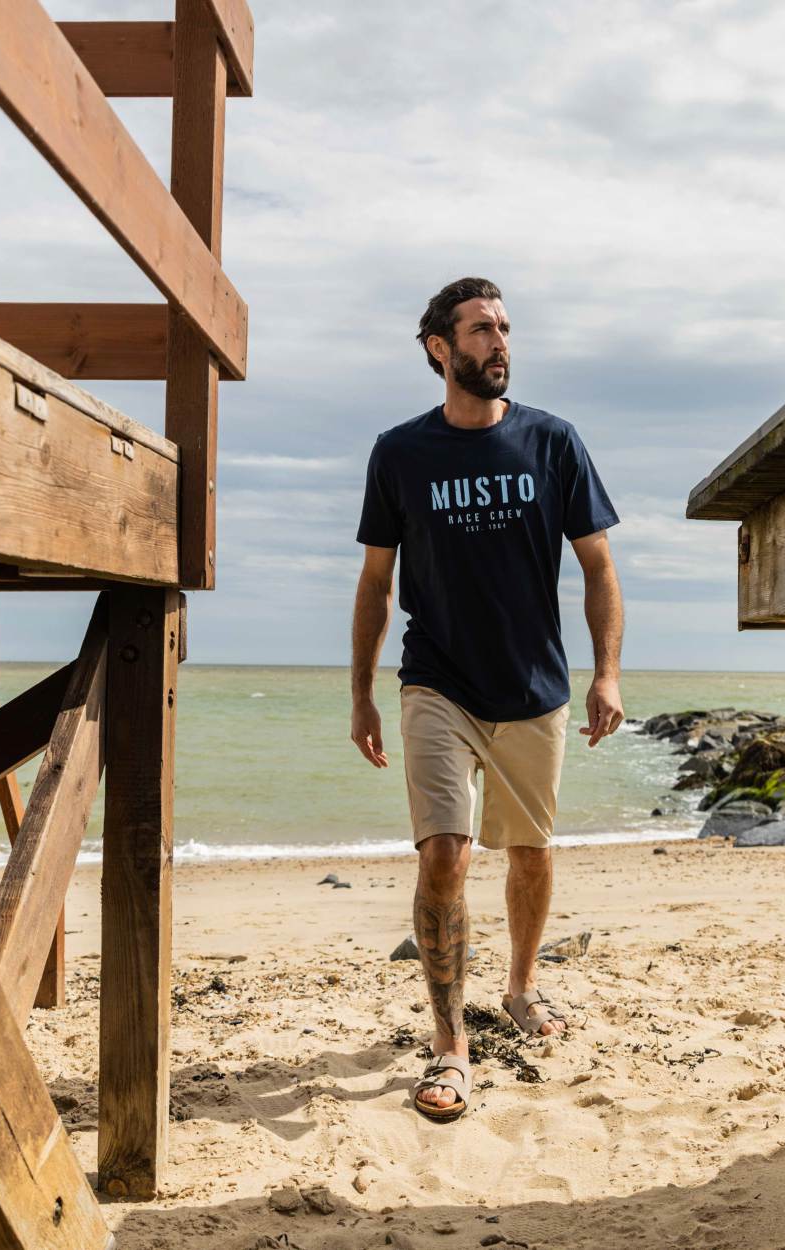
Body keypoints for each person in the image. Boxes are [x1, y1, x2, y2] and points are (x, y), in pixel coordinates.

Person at [350, 277, 624, 1122]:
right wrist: (360, 692)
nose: (499, 341)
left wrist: (606, 673)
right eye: (480, 329)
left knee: (530, 854)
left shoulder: (554, 443)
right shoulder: (401, 454)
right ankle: (448, 1046)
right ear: (440, 348)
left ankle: (519, 986)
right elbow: (375, 581)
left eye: (505, 327)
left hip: (532, 688)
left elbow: (599, 567)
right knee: (445, 854)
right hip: (436, 680)